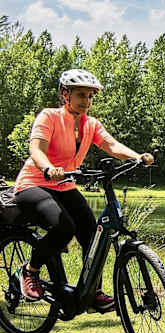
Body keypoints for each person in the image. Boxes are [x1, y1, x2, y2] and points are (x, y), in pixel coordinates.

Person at [13, 69, 154, 311]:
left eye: (90, 96)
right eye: (80, 94)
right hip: (34, 184)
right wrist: (48, 168)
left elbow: (111, 145)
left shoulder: (91, 125)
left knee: (93, 234)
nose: (86, 101)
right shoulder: (49, 117)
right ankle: (30, 270)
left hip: (65, 185)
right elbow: (36, 149)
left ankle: (91, 293)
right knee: (64, 227)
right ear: (64, 94)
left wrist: (137, 157)